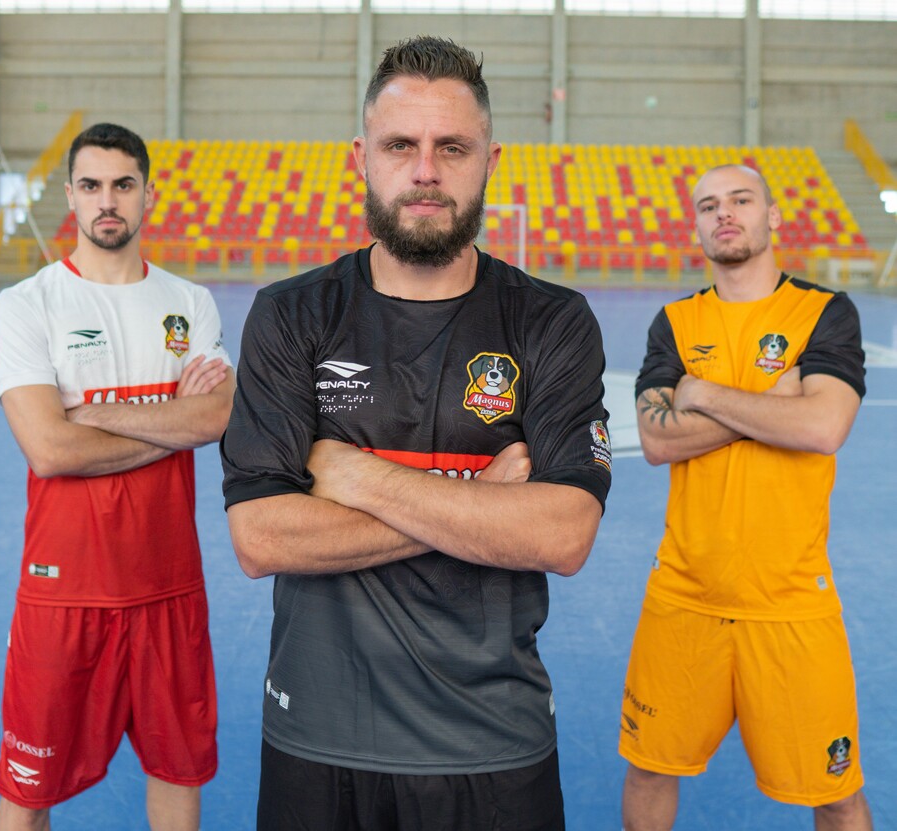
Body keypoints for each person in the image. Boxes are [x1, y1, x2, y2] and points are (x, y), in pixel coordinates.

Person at [220, 36, 612, 831]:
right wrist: (481, 506)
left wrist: (358, 478)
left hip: (494, 743)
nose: (426, 170)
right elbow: (262, 537)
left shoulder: (551, 320)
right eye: (402, 145)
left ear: (490, 159)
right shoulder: (293, 314)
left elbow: (564, 534)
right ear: (361, 157)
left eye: (451, 147)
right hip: (317, 737)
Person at [0, 122, 235, 831]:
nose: (107, 201)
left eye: (123, 185)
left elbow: (215, 418)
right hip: (64, 592)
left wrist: (92, 414)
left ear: (148, 195)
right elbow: (51, 450)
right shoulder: (27, 305)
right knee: (25, 793)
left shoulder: (190, 302)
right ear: (70, 195)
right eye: (91, 185)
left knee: (178, 775)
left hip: (169, 588)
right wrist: (170, 413)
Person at [619, 164, 873, 831]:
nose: (723, 213)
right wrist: (773, 402)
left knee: (838, 791)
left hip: (791, 599)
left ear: (773, 214)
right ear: (696, 223)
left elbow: (823, 426)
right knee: (649, 766)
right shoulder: (675, 321)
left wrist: (701, 394)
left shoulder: (823, 312)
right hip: (683, 595)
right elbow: (655, 439)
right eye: (708, 205)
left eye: (739, 199)